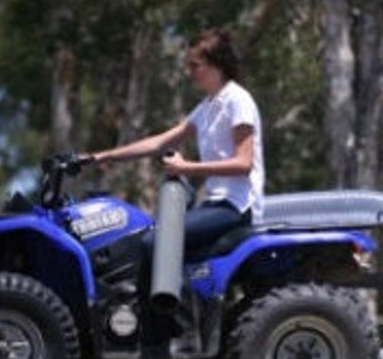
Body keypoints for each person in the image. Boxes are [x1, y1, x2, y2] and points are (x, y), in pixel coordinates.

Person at [90, 28, 264, 251]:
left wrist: (186, 168)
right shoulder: (207, 107)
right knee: (144, 233)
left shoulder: (238, 101)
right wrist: (101, 156)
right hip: (214, 204)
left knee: (156, 241)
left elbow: (244, 164)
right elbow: (159, 142)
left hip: (237, 208)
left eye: (194, 66)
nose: (188, 72)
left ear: (216, 65)